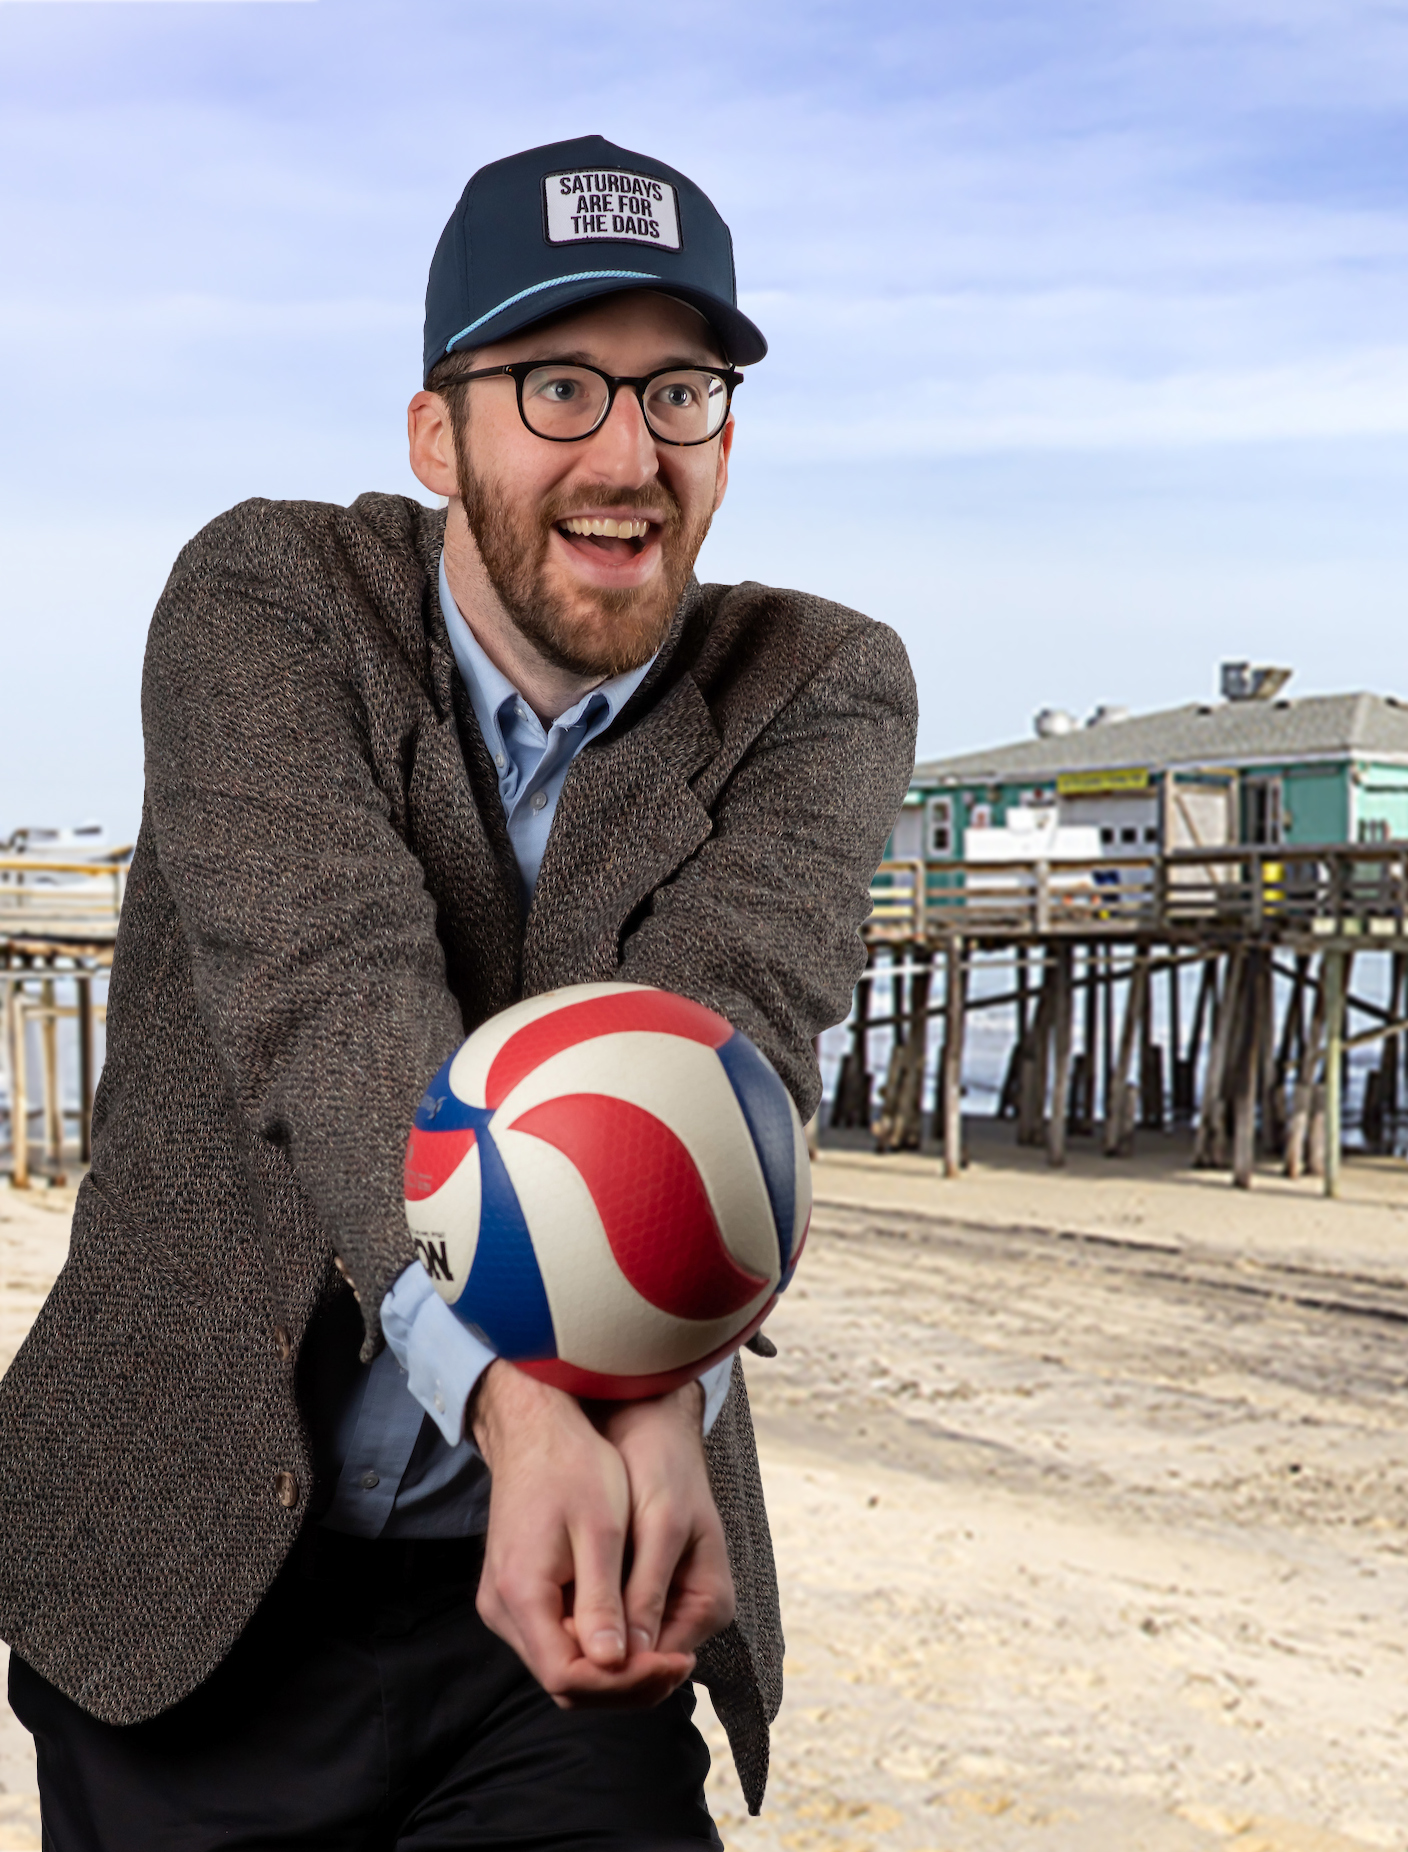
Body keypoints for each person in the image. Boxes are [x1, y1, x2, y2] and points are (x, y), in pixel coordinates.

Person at [0, 135, 915, 1849]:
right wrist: (523, 1407)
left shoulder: (817, 683)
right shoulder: (267, 597)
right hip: (187, 1574)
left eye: (683, 392)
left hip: (563, 1620)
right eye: (559, 386)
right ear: (439, 434)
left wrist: (647, 1409)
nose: (629, 453)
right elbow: (330, 988)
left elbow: (722, 1046)